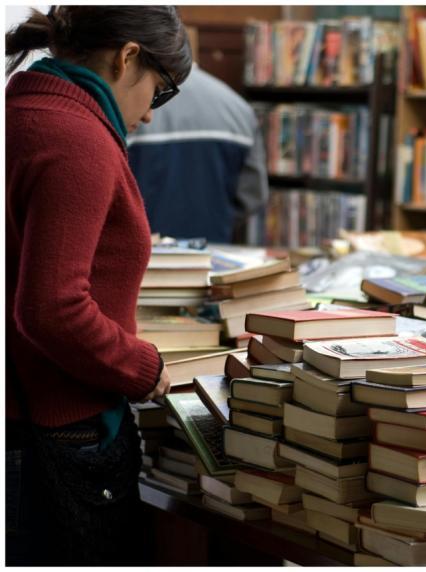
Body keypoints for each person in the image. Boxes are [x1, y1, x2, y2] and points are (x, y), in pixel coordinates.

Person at [6, 6, 191, 564]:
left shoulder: (23, 113)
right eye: (160, 91)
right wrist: (142, 368)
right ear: (127, 57)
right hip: (58, 433)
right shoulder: (76, 139)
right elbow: (52, 307)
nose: (151, 114)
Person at [127, 60, 269, 244]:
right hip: (212, 250)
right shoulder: (238, 109)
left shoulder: (133, 108)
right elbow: (253, 195)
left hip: (146, 250)